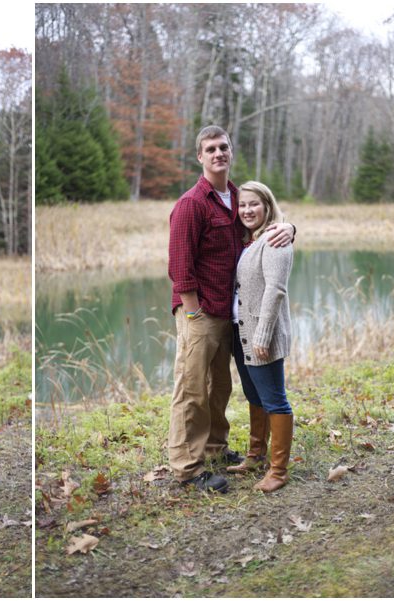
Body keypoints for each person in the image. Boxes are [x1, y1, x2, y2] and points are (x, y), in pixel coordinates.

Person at [167, 125, 294, 493]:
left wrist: (290, 227)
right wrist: (191, 314)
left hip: (230, 313)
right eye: (210, 149)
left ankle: (215, 448)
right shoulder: (192, 203)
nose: (218, 153)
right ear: (200, 157)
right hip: (200, 312)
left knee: (219, 386)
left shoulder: (237, 197)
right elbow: (179, 265)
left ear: (231, 151)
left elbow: (265, 223)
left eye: (223, 147)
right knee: (191, 390)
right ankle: (187, 470)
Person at [227, 181, 294, 493]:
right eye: (242, 205)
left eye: (254, 204)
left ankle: (278, 472)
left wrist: (264, 335)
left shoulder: (276, 239)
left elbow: (276, 290)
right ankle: (256, 455)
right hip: (244, 333)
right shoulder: (252, 240)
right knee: (255, 396)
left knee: (275, 401)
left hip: (260, 336)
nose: (247, 210)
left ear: (267, 205)